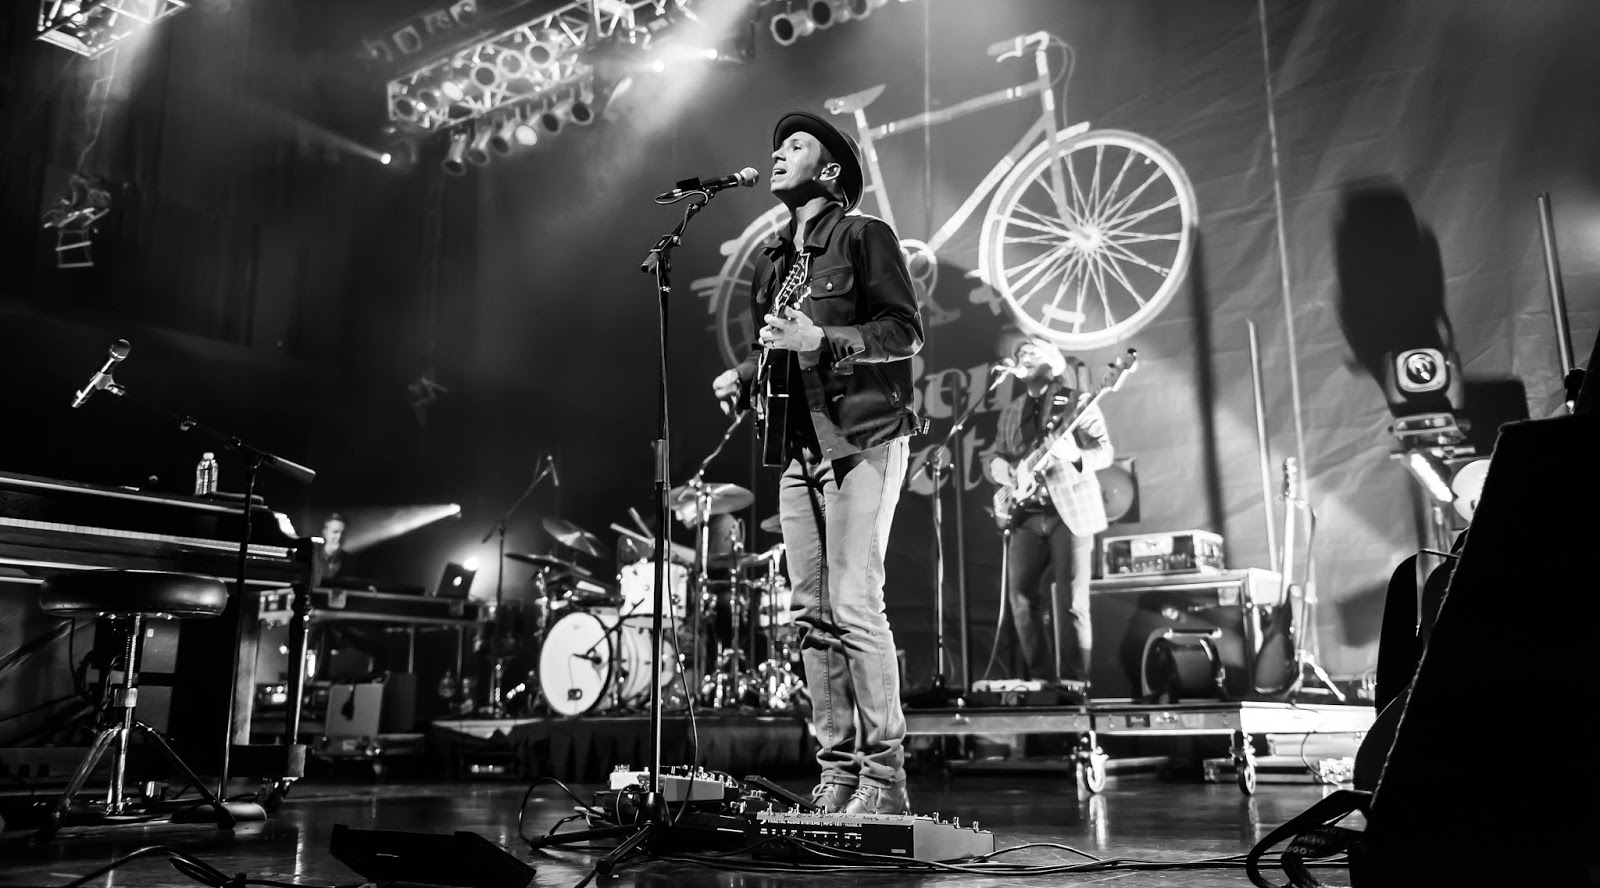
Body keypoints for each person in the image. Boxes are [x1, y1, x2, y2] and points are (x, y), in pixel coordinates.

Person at [711, 111, 924, 815]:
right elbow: (777, 346)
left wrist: (823, 336)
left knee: (855, 603)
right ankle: (836, 774)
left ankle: (885, 780)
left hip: (862, 438)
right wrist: (745, 374)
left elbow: (903, 331)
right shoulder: (773, 261)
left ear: (829, 170)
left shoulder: (865, 236)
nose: (777, 154)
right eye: (775, 145)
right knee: (810, 613)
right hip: (797, 450)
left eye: (794, 146)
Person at [989, 335, 1114, 699]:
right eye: (1019, 353)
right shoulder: (1011, 410)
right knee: (1021, 599)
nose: (1022, 355)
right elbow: (996, 456)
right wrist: (1001, 469)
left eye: (1032, 351)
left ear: (1053, 362)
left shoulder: (1077, 401)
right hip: (1026, 514)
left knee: (1072, 600)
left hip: (1068, 512)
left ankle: (1077, 683)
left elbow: (1105, 451)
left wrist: (1075, 453)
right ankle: (1043, 681)